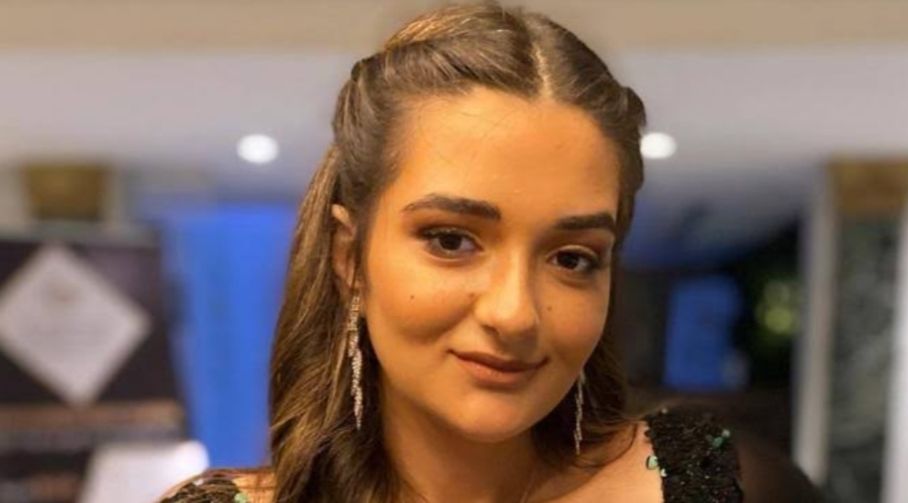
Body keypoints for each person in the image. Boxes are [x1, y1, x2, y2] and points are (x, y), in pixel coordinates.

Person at [161, 3, 818, 502]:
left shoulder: (716, 485)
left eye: (572, 258)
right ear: (349, 258)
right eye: (451, 240)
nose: (514, 313)